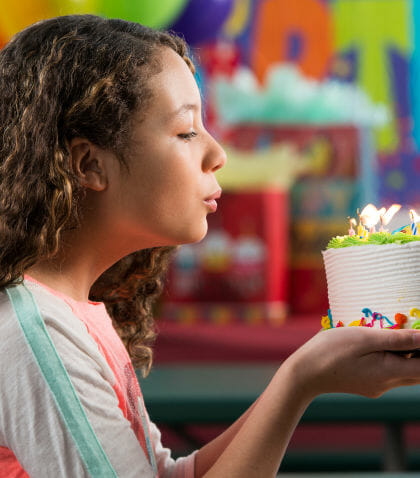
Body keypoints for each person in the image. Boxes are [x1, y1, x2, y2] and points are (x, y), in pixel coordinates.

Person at [1, 14, 420, 478]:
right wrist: (301, 379)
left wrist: (301, 381)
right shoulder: (36, 335)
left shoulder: (65, 313)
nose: (217, 154)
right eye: (186, 132)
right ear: (88, 164)